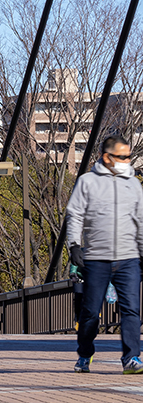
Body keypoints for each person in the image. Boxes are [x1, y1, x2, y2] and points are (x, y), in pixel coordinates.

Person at [67, 134, 143, 374]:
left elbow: (141, 220)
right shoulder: (87, 182)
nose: (127, 160)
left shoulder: (134, 184)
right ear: (107, 157)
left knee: (131, 310)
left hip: (128, 258)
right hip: (96, 258)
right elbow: (75, 214)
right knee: (90, 313)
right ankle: (85, 354)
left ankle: (131, 358)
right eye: (122, 156)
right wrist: (74, 245)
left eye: (128, 156)